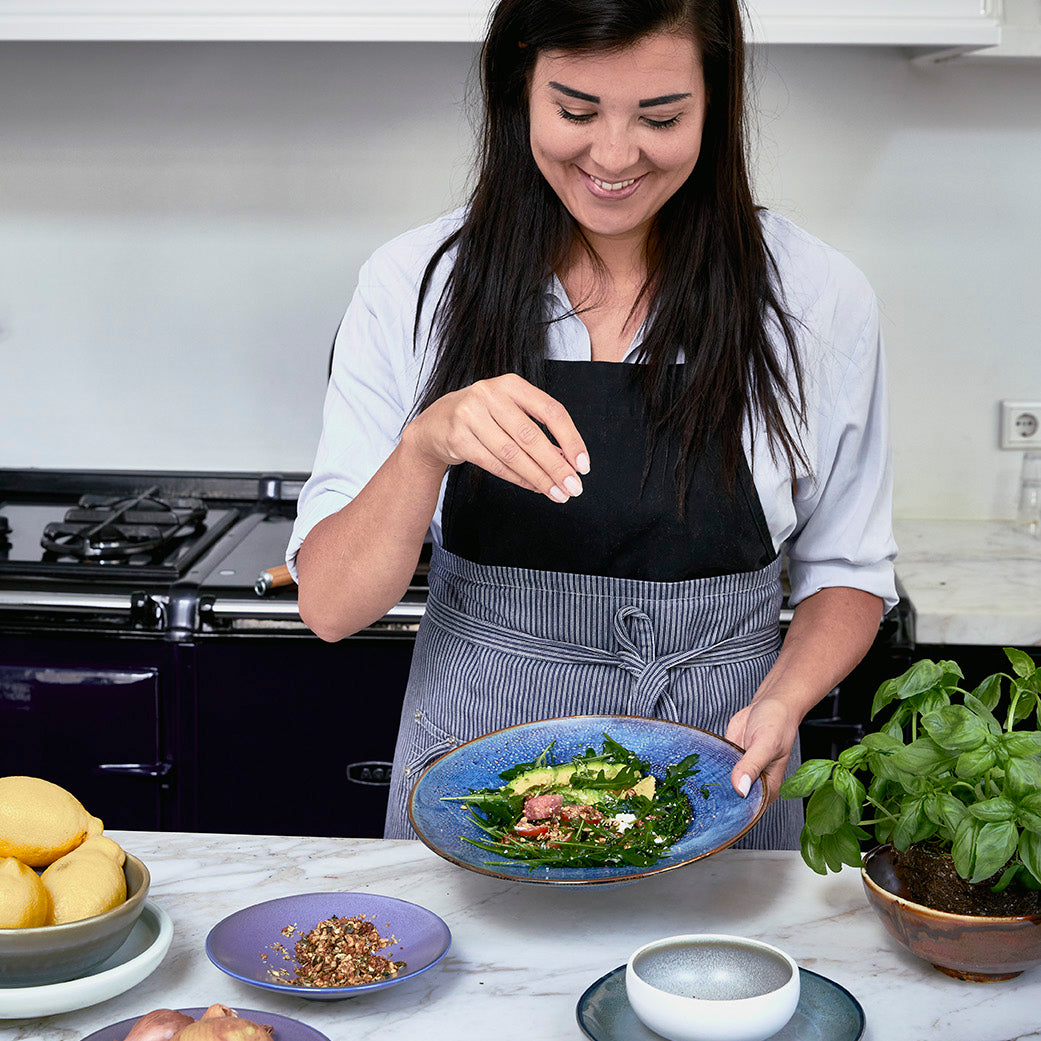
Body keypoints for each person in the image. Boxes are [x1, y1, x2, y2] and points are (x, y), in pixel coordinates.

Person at [287, 0, 897, 849]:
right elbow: (330, 606)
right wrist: (425, 443)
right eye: (575, 110)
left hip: (720, 762)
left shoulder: (814, 297)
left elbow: (848, 569)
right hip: (477, 769)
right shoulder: (413, 286)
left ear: (715, 105)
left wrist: (784, 700)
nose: (613, 156)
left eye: (661, 116)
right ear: (519, 90)